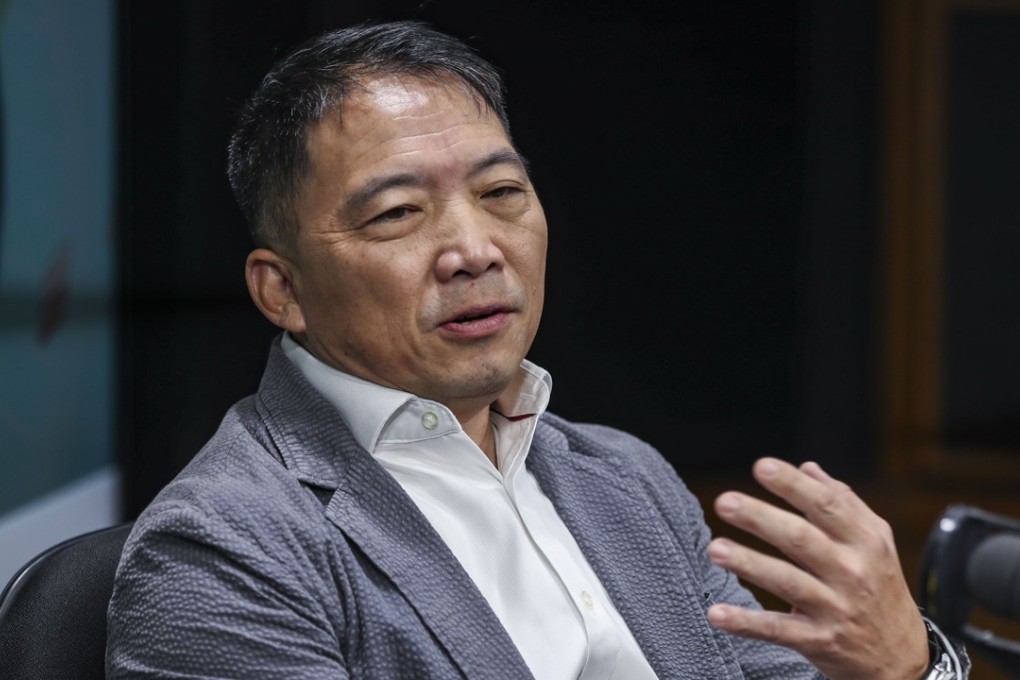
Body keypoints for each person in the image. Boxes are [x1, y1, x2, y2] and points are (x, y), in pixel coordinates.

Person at [106, 19, 968, 679]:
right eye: (399, 213)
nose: (474, 249)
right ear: (282, 290)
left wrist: (907, 668)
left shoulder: (624, 477)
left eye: (501, 192)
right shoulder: (224, 548)